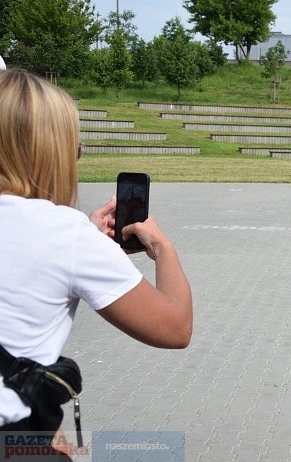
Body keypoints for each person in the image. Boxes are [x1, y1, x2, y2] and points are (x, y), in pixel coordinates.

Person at [0, 70, 193, 446]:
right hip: (13, 433)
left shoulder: (71, 235)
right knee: (156, 450)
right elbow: (176, 328)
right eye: (76, 148)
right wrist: (163, 248)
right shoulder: (66, 235)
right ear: (49, 151)